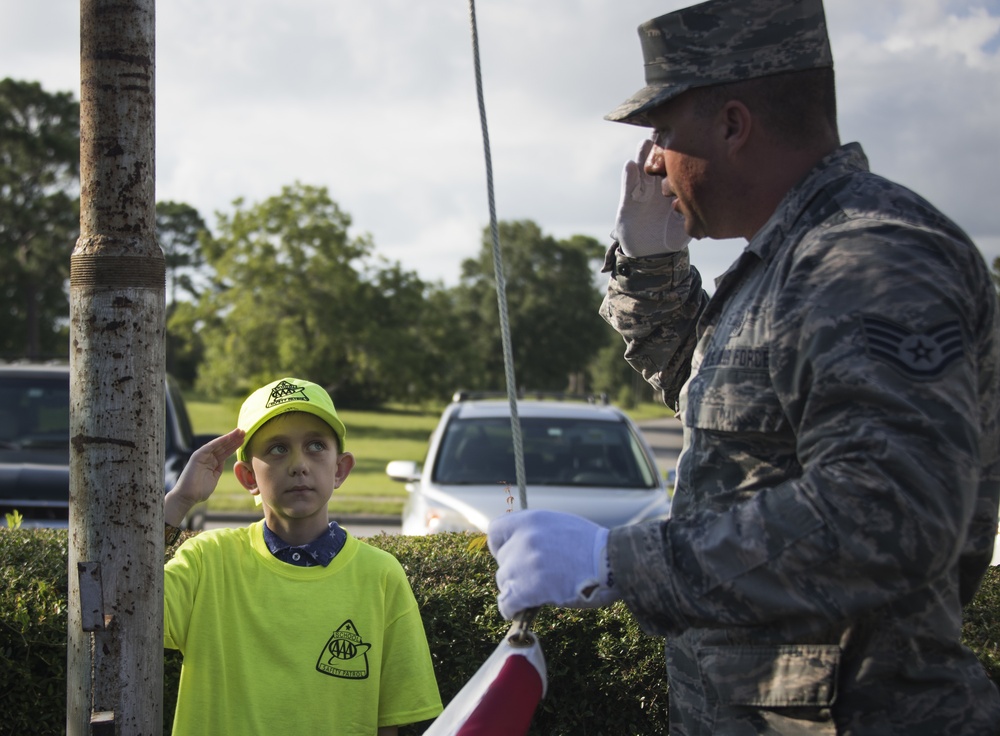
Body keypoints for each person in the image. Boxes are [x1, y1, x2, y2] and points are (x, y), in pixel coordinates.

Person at [487, 0, 1000, 733]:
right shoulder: (794, 259)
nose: (654, 162)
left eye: (664, 133)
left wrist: (617, 559)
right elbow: (724, 406)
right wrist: (649, 265)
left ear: (733, 124)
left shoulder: (868, 258)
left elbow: (888, 517)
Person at [163, 377, 443, 735]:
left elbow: (396, 718)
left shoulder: (380, 575)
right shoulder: (206, 561)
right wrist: (179, 500)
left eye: (315, 445)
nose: (299, 464)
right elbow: (120, 607)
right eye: (278, 449)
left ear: (340, 468)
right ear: (248, 476)